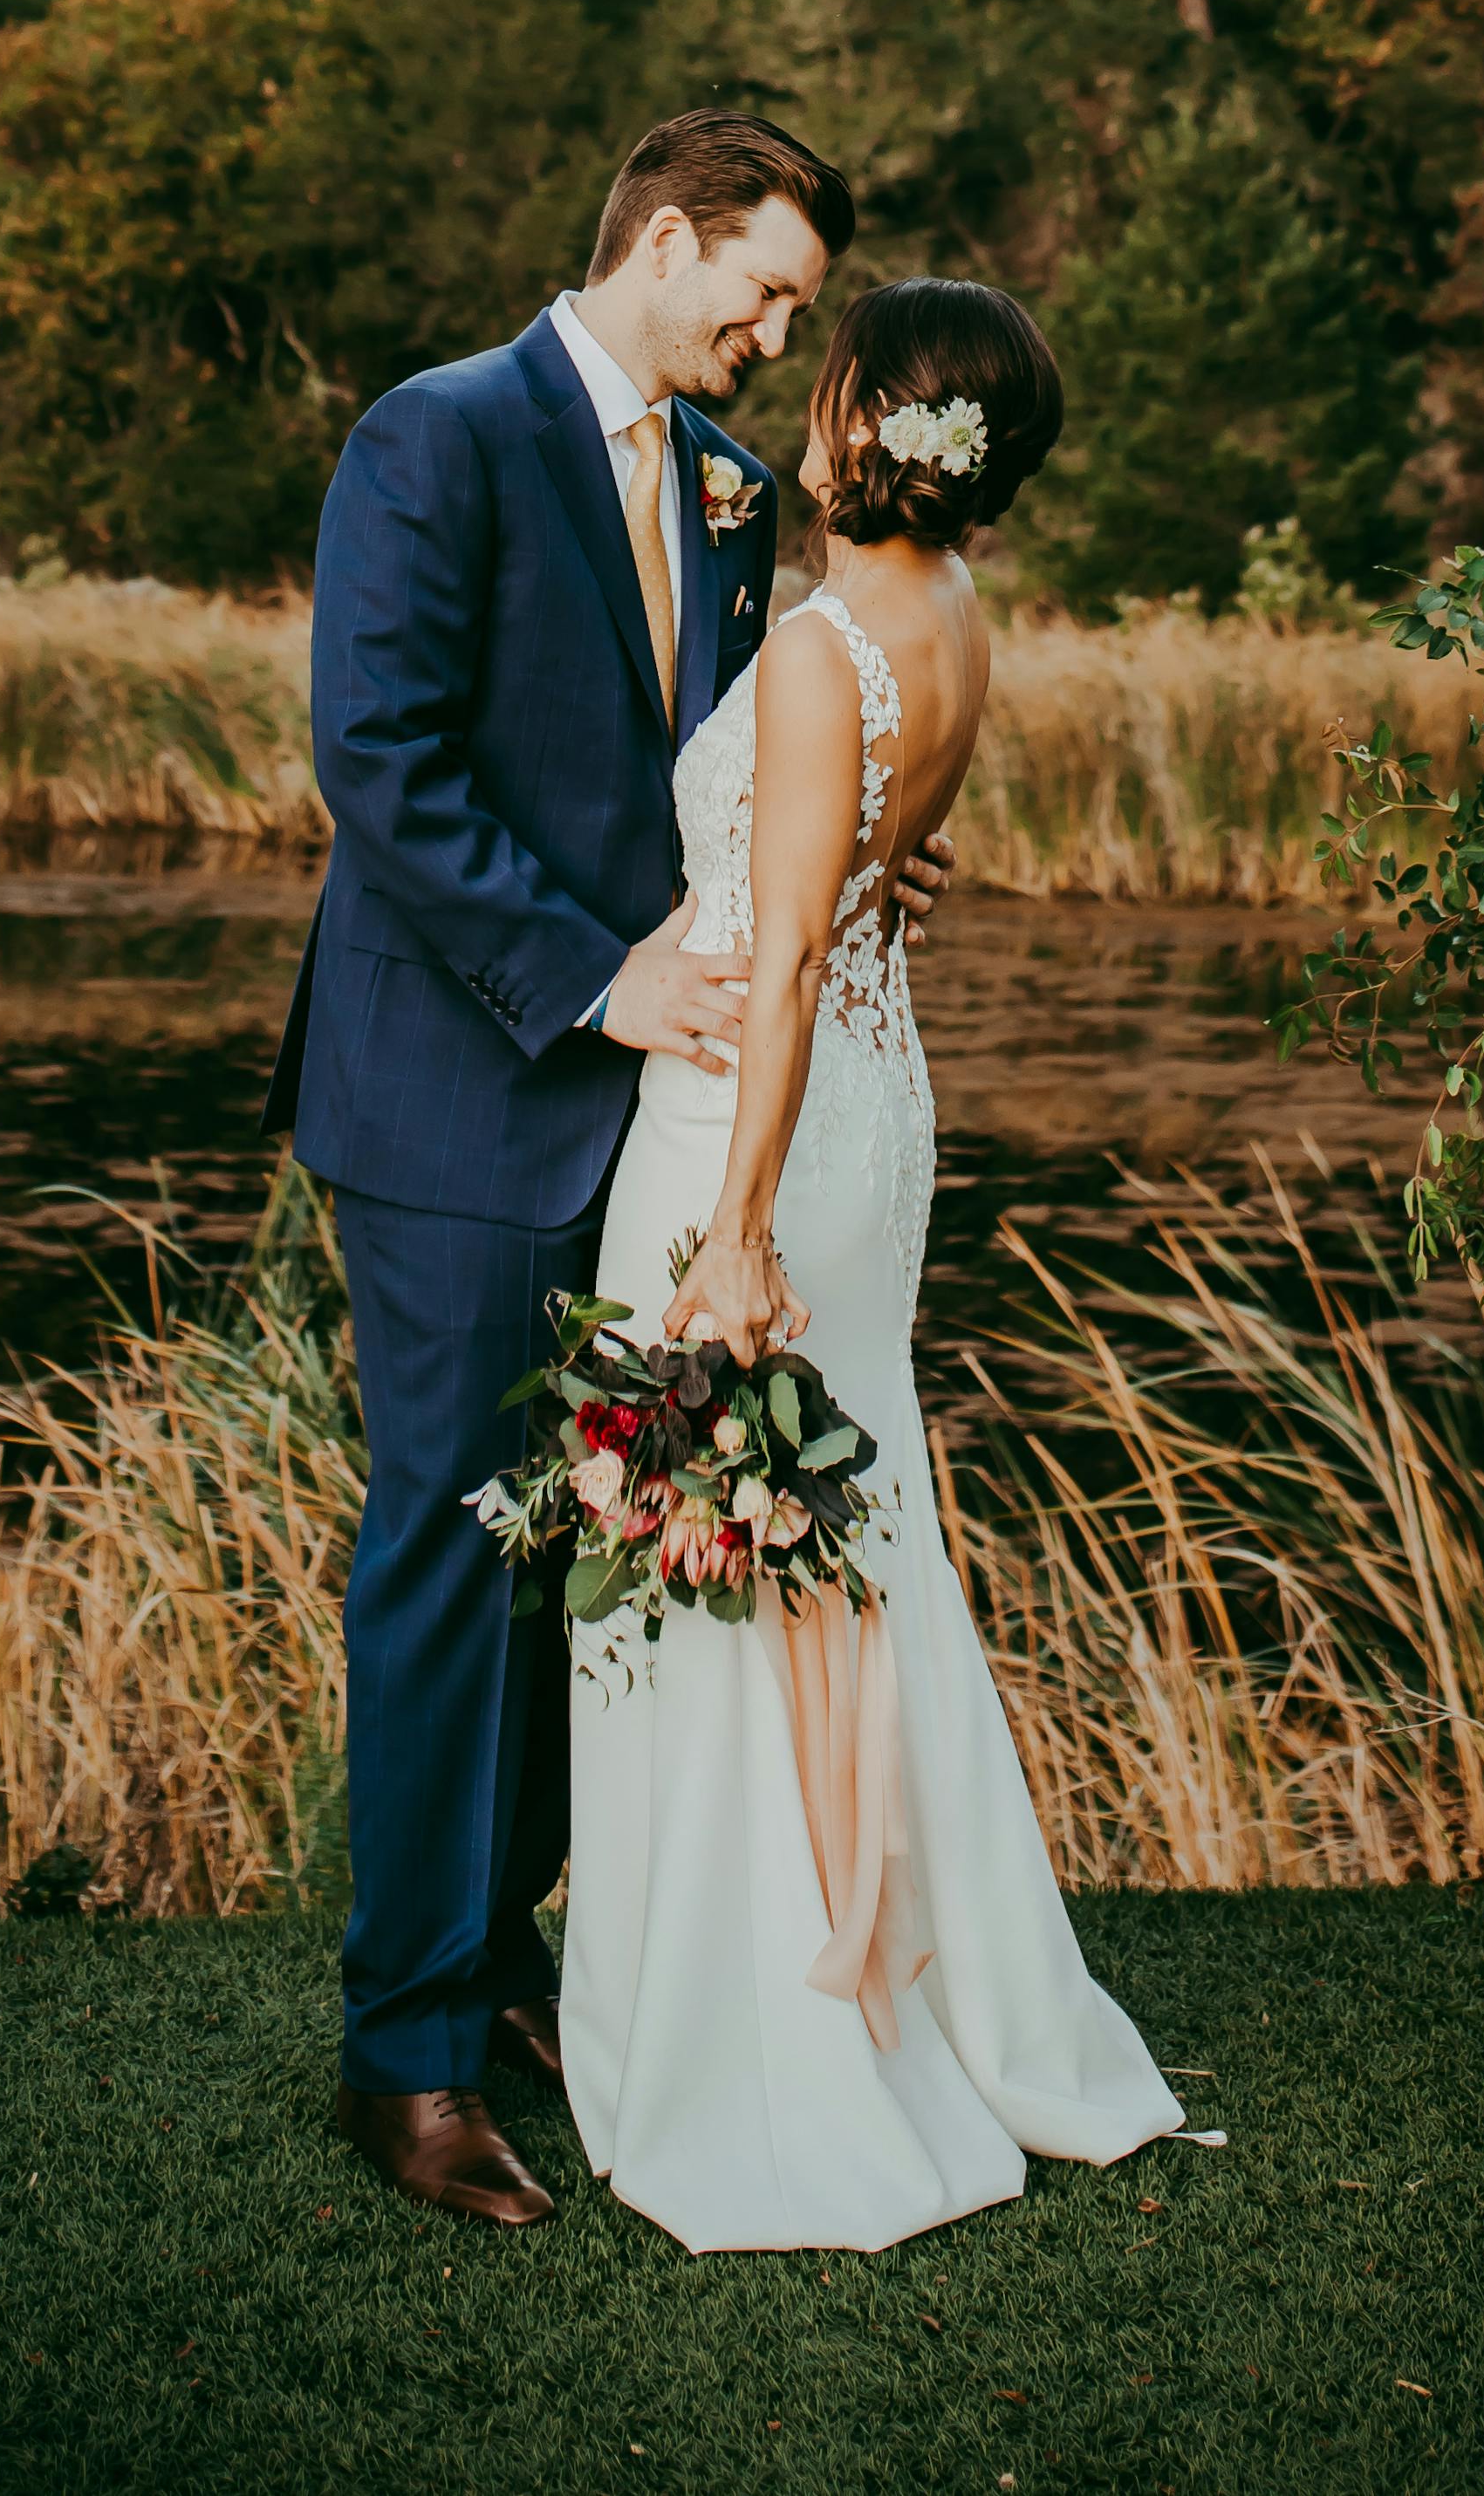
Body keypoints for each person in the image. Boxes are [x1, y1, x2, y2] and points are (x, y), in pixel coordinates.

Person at [270, 107, 957, 2231]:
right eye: (757, 291)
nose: (773, 336)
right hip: (461, 1094)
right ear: (664, 239)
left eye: (792, 309)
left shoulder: (740, 493)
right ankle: (404, 2063)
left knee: (595, 1561)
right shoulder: (436, 436)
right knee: (449, 1556)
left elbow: (740, 762)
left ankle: (504, 1977)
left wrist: (839, 872)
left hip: (658, 1125)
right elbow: (375, 758)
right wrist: (598, 979)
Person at [559, 272, 1182, 2248]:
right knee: (852, 1536)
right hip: (871, 1129)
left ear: (867, 431)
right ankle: (908, 1968)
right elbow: (863, 885)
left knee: (736, 1561)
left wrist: (732, 1233)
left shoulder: (830, 651)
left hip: (761, 1128)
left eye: (828, 390)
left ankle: (774, 2022)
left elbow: (805, 957)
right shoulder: (956, 619)